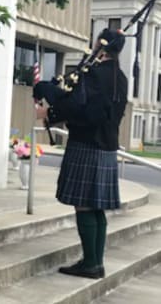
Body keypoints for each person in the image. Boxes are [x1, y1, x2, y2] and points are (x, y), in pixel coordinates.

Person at [35, 29, 127, 279]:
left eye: (96, 41)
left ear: (102, 46)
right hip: (107, 146)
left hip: (87, 144)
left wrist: (50, 114)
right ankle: (95, 262)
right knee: (96, 208)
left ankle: (90, 264)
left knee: (84, 206)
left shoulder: (95, 75)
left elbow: (79, 108)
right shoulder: (120, 77)